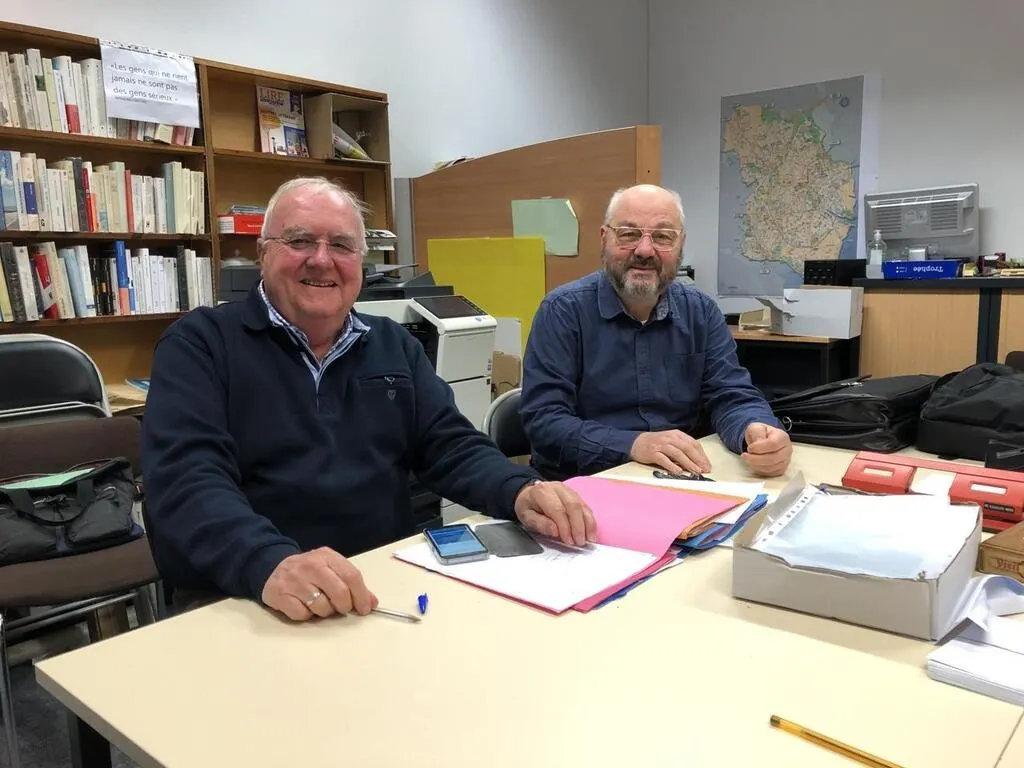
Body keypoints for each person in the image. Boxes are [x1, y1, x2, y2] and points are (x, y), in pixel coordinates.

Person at [140, 176, 596, 622]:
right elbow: (187, 482)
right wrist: (268, 561)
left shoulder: (392, 344)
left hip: (380, 583)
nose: (321, 260)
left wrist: (518, 490)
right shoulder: (200, 344)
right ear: (263, 253)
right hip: (246, 591)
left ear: (362, 260)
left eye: (340, 246)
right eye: (299, 241)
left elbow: (450, 446)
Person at [520, 183, 792, 481]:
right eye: (628, 234)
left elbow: (730, 395)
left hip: (679, 479)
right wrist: (632, 444)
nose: (645, 250)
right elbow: (544, 421)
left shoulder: (701, 313)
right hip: (582, 485)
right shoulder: (562, 311)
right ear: (603, 239)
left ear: (680, 246)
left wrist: (755, 429)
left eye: (662, 237)